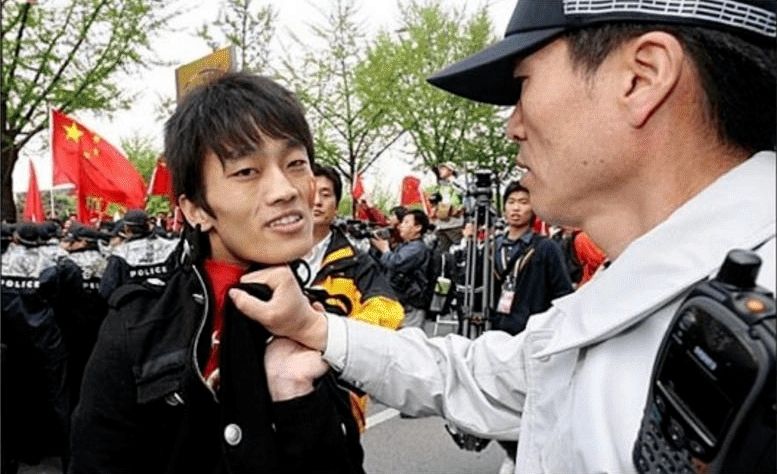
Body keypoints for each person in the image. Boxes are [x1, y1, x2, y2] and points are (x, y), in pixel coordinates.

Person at [232, 2, 775, 472]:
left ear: (641, 77)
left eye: (523, 85)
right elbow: (479, 375)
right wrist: (313, 327)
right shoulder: (633, 281)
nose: (512, 125)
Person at [70, 72, 364, 473]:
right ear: (195, 209)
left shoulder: (321, 314)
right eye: (246, 171)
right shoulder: (137, 326)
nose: (286, 190)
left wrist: (296, 397)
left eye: (296, 163)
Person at [307, 164, 404, 430]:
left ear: (336, 205)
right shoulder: (271, 255)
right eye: (310, 192)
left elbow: (388, 310)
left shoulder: (356, 262)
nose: (317, 201)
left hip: (338, 393)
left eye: (325, 194)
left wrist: (332, 334)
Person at [369, 208, 432, 329]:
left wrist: (385, 249)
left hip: (411, 306)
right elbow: (381, 265)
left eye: (406, 222)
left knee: (409, 338)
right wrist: (376, 248)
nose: (401, 226)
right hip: (399, 302)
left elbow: (395, 263)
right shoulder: (404, 246)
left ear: (418, 227)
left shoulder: (417, 248)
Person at [98, 208, 180, 300]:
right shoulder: (171, 247)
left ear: (126, 228)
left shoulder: (120, 253)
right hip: (169, 304)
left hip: (133, 306)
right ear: (149, 225)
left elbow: (106, 291)